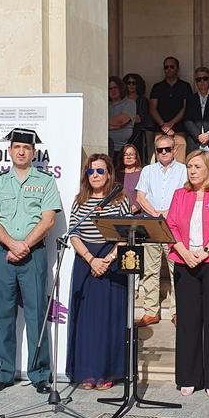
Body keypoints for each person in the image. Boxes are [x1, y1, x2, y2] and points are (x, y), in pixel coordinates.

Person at [0, 128, 62, 394]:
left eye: (26, 148)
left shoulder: (46, 181)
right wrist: (12, 245)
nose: (21, 151)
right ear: (10, 151)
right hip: (2, 255)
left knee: (36, 314)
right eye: (17, 147)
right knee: (3, 314)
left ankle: (39, 374)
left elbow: (48, 219)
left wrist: (23, 246)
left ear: (33, 152)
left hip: (34, 255)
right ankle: (5, 372)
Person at [166, 149, 209, 397]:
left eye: (197, 166)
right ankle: (189, 376)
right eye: (189, 166)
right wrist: (184, 252)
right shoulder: (180, 195)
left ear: (208, 168)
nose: (192, 171)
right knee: (188, 321)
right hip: (185, 262)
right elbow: (171, 225)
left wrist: (205, 252)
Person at [67, 154, 131, 391]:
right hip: (86, 262)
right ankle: (87, 371)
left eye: (100, 171)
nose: (95, 175)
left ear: (109, 173)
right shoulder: (79, 200)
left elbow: (126, 234)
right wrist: (91, 259)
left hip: (111, 262)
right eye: (91, 171)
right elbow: (73, 233)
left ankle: (107, 372)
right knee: (86, 321)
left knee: (108, 320)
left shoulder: (120, 200)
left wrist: (108, 259)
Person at [134, 134, 188, 326]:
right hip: (151, 224)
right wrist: (155, 213)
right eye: (160, 150)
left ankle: (178, 311)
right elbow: (140, 197)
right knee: (150, 270)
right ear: (155, 151)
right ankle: (151, 311)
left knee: (177, 270)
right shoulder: (147, 171)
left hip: (174, 225)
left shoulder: (184, 170)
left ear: (174, 150)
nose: (163, 153)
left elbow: (186, 195)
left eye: (167, 149)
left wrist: (167, 213)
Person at [149, 57, 192, 163]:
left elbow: (186, 108)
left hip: (179, 130)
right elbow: (152, 108)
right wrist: (164, 125)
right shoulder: (157, 87)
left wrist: (170, 124)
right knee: (161, 163)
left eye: (172, 67)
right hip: (160, 130)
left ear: (177, 69)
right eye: (166, 67)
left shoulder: (185, 86)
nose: (169, 69)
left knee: (179, 164)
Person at [183, 66, 209, 166]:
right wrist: (198, 135)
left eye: (205, 78)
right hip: (195, 142)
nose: (202, 81)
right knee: (194, 172)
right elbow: (187, 120)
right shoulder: (190, 99)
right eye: (199, 79)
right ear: (195, 81)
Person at [123, 72, 151, 160]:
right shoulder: (121, 100)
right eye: (128, 83)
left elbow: (140, 118)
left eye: (134, 83)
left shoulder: (142, 100)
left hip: (136, 134)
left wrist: (121, 121)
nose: (131, 85)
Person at [108, 76, 137, 154]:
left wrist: (104, 122)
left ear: (120, 88)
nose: (113, 91)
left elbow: (120, 121)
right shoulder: (105, 105)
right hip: (105, 146)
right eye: (110, 89)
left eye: (115, 87)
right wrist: (115, 126)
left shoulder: (130, 103)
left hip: (124, 149)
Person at [117, 144, 144, 213]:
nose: (128, 157)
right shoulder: (115, 174)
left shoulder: (143, 173)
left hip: (137, 215)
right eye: (125, 155)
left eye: (131, 154)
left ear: (136, 157)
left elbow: (145, 196)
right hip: (117, 215)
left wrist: (129, 211)